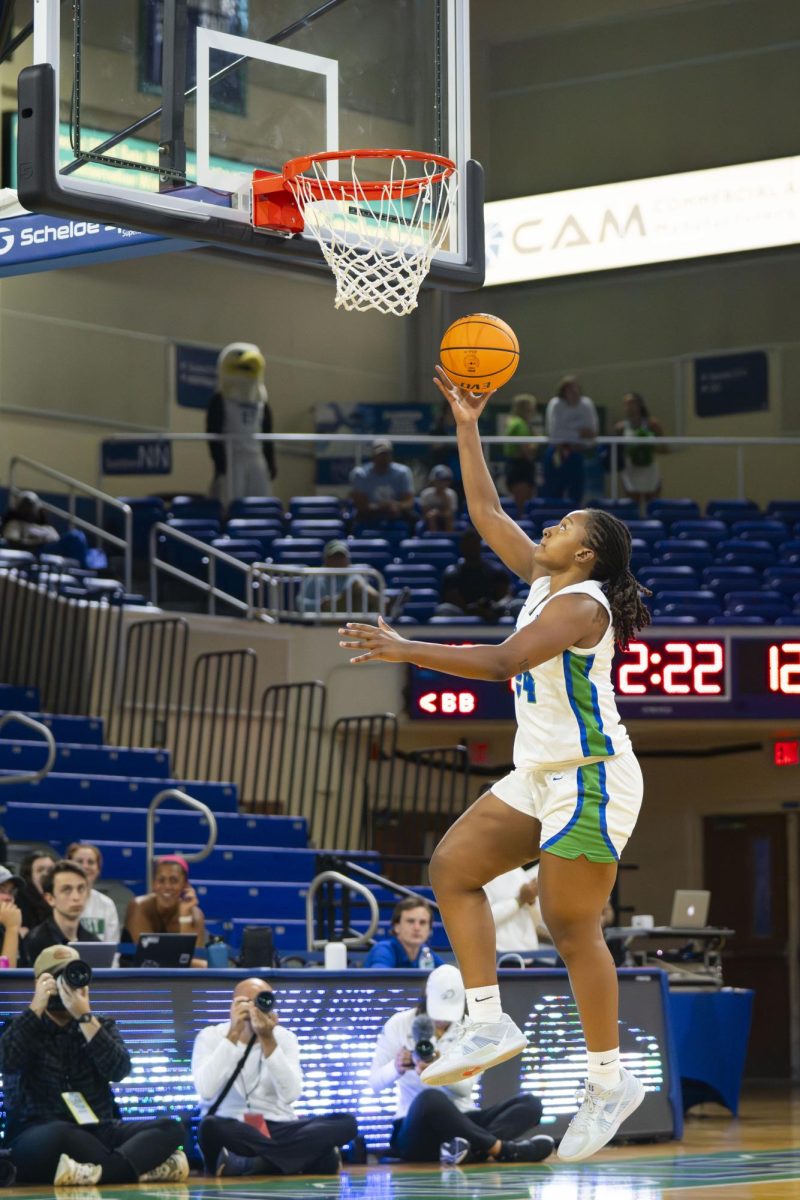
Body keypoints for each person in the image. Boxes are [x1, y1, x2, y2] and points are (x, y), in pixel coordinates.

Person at [338, 363, 651, 1163]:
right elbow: (485, 511)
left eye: (564, 525)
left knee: (570, 924)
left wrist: (406, 646)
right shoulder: (548, 580)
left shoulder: (584, 604)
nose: (548, 528)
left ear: (587, 553)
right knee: (451, 868)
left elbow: (507, 660)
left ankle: (611, 1079)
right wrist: (467, 423)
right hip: (540, 773)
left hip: (590, 774)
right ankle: (485, 1016)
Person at [0, 944, 187, 1186]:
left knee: (171, 1127)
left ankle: (100, 1173)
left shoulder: (100, 1026)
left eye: (72, 976)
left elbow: (119, 1070)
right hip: (38, 1132)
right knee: (61, 1135)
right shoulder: (20, 1026)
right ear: (39, 982)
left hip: (97, 1129)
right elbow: (6, 1061)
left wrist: (85, 1018)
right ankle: (139, 1167)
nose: (66, 985)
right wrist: (36, 1008)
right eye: (58, 978)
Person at [369, 964, 553, 1165]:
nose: (441, 1020)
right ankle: (500, 1149)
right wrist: (395, 1068)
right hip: (416, 1128)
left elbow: (465, 1089)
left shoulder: (471, 1027)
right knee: (429, 1099)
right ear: (427, 997)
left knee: (531, 1104)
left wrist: (439, 1070)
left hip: (464, 1118)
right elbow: (375, 1084)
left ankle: (469, 1150)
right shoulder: (399, 1023)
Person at [193, 977, 357, 1176]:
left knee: (346, 1122)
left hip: (278, 1126)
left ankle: (253, 1164)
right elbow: (206, 1090)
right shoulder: (211, 1036)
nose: (255, 1007)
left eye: (261, 1000)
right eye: (247, 1002)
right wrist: (234, 1034)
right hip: (234, 1126)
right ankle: (307, 1159)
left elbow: (291, 1094)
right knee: (209, 1126)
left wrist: (268, 1040)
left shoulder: (284, 1038)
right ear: (234, 1004)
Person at [207, 342, 276, 505]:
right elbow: (213, 433)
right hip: (233, 458)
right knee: (232, 502)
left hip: (257, 458)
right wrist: (220, 465)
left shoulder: (261, 401)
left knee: (261, 502)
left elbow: (268, 434)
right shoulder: (220, 400)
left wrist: (271, 464)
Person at [124, 855, 207, 965]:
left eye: (174, 880)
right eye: (161, 880)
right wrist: (189, 961)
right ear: (154, 884)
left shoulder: (196, 915)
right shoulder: (139, 907)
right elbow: (149, 957)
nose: (167, 886)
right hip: (135, 976)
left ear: (185, 885)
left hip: (178, 979)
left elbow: (194, 959)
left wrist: (184, 917)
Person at [23, 861, 99, 966]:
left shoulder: (94, 943)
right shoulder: (34, 941)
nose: (76, 897)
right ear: (50, 899)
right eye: (67, 890)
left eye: (81, 889)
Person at [435, 527, 513, 623]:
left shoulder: (495, 570)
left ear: (480, 545)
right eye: (467, 543)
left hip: (493, 612)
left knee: (517, 605)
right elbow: (451, 600)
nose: (471, 547)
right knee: (444, 609)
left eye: (474, 543)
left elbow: (506, 597)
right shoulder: (452, 573)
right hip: (462, 615)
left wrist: (494, 606)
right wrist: (473, 609)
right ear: (461, 546)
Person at [543, 376, 599, 505]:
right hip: (557, 452)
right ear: (563, 391)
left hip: (578, 453)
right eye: (569, 390)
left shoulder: (586, 404)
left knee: (577, 491)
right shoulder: (556, 404)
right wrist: (580, 432)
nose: (573, 393)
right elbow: (555, 433)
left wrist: (570, 433)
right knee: (554, 489)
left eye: (575, 389)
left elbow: (592, 432)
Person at [614, 392, 666, 514]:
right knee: (632, 501)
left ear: (640, 405)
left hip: (648, 467)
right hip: (631, 467)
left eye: (632, 403)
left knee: (652, 500)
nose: (629, 407)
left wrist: (647, 447)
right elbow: (618, 450)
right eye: (626, 404)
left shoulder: (652, 424)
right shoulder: (621, 427)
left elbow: (664, 447)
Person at [297, 539, 380, 616]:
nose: (338, 560)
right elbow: (299, 603)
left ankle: (382, 602)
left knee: (358, 586)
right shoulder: (315, 577)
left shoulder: (354, 575)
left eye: (341, 557)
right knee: (357, 586)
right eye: (334, 557)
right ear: (326, 559)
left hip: (352, 618)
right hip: (326, 616)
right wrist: (320, 605)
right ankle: (383, 603)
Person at [349, 439, 415, 531]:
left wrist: (397, 506)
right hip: (369, 514)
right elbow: (360, 505)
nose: (384, 458)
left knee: (414, 519)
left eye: (387, 454)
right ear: (373, 455)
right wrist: (381, 507)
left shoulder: (403, 472)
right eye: (380, 454)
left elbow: (409, 502)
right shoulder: (360, 474)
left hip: (396, 513)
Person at [363, 897, 445, 969]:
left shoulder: (426, 953)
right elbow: (380, 979)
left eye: (422, 922)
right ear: (396, 927)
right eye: (410, 921)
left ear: (429, 929)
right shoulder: (383, 949)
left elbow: (450, 975)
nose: (417, 928)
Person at [484, 864, 544, 954]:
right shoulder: (481, 876)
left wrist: (531, 901)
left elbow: (537, 921)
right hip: (500, 953)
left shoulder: (519, 871)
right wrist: (519, 900)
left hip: (528, 954)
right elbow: (482, 920)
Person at [66, 844, 120, 944]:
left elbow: (113, 947)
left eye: (90, 862)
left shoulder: (107, 904)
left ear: (98, 869)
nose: (85, 866)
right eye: (79, 861)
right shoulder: (58, 900)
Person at [503, 394, 539, 513]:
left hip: (516, 465)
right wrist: (534, 446)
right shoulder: (519, 424)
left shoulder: (516, 422)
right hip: (520, 466)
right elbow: (526, 449)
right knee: (521, 505)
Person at [17, 850, 59, 935]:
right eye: (40, 870)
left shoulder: (62, 899)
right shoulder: (20, 900)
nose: (46, 874)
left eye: (50, 870)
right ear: (30, 876)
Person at [419, 465, 459, 533]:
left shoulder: (451, 494)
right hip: (430, 520)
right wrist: (434, 513)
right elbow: (425, 512)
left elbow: (451, 512)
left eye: (446, 480)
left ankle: (449, 539)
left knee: (448, 517)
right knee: (432, 516)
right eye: (440, 480)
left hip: (446, 519)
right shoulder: (426, 494)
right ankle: (433, 539)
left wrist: (444, 497)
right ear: (433, 480)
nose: (443, 483)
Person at [0, 865, 24, 967]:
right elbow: (6, 980)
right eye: (1, 890)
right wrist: (12, 928)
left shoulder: (4, 926)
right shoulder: (11, 926)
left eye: (11, 892)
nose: (8, 897)